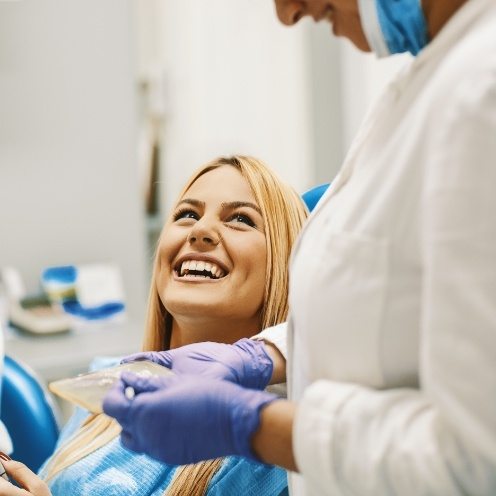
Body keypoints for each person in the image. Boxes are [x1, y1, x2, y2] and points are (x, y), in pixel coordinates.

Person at [101, 0, 496, 495]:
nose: (286, 13)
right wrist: (265, 354)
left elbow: (478, 459)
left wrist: (250, 424)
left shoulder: (482, 92)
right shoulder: (431, 78)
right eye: (186, 213)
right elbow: (385, 310)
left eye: (241, 219)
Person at [0, 155, 308, 496]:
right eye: (187, 214)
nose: (200, 231)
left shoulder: (277, 453)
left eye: (240, 219)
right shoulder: (105, 384)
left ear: (285, 263)